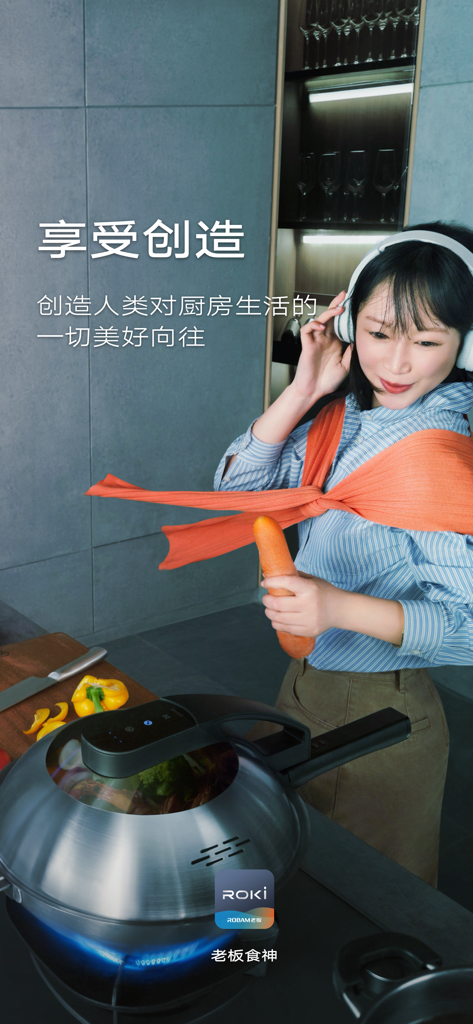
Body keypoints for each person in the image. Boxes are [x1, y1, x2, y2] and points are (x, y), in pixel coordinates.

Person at [214, 221, 473, 887]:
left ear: (463, 342)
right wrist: (302, 388)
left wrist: (334, 606)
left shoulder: (437, 454)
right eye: (381, 332)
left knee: (376, 902)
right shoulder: (349, 415)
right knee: (288, 865)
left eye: (426, 340)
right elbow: (240, 493)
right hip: (302, 687)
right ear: (349, 321)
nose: (396, 364)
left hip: (383, 715)